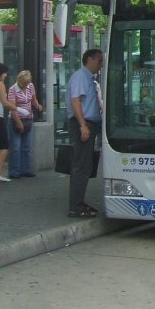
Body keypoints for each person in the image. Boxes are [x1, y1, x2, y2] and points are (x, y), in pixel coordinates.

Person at [66, 49, 104, 218]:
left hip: (90, 123)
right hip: (84, 123)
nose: (101, 64)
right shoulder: (81, 76)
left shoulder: (89, 78)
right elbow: (75, 101)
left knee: (86, 164)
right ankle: (75, 205)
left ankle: (79, 202)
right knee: (81, 164)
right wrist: (83, 125)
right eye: (99, 60)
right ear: (89, 59)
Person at [7, 70, 43, 179]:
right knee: (15, 147)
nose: (26, 86)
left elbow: (33, 99)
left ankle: (25, 169)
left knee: (26, 146)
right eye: (24, 84)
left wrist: (37, 105)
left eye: (27, 84)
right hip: (16, 119)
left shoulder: (30, 86)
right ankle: (14, 171)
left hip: (28, 118)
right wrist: (18, 122)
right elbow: (12, 108)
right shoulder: (13, 90)